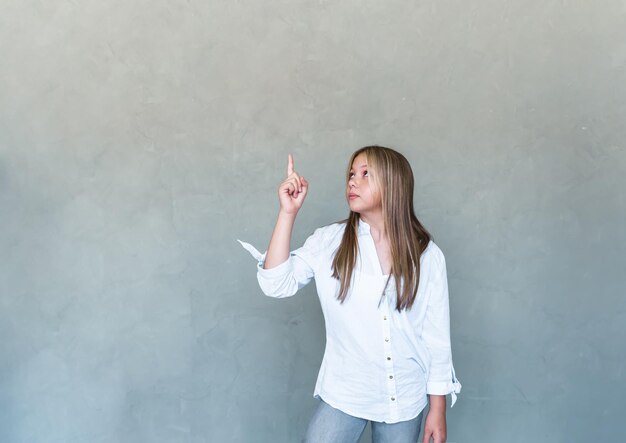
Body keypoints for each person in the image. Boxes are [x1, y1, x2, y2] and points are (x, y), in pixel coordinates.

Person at [237, 145, 461, 443]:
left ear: (394, 183)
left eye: (366, 174)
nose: (353, 181)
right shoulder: (329, 242)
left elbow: (436, 338)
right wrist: (287, 213)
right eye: (351, 174)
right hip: (346, 392)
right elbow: (275, 283)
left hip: (405, 397)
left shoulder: (426, 255)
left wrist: (438, 407)